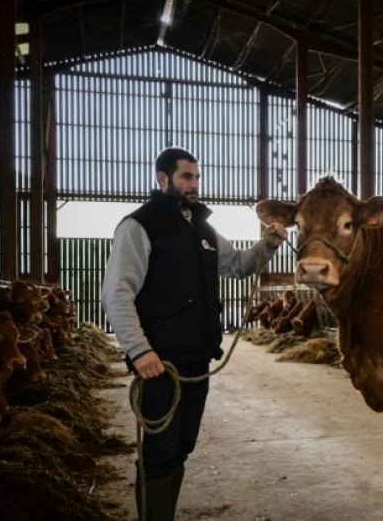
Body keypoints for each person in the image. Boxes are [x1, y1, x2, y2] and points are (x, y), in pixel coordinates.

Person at [102, 147, 287, 521]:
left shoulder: (201, 228)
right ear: (162, 178)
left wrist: (267, 246)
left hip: (197, 360)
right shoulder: (140, 226)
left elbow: (236, 265)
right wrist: (139, 350)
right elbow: (117, 292)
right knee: (161, 451)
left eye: (197, 177)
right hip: (159, 363)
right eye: (186, 176)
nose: (194, 184)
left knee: (182, 446)